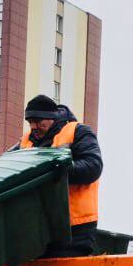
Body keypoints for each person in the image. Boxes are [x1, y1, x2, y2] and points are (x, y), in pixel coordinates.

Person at [13, 95, 103, 256]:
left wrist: (55, 170)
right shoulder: (26, 141)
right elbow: (5, 164)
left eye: (37, 121)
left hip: (75, 229)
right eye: (29, 122)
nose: (33, 126)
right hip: (39, 229)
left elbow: (93, 167)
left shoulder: (78, 131)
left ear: (52, 118)